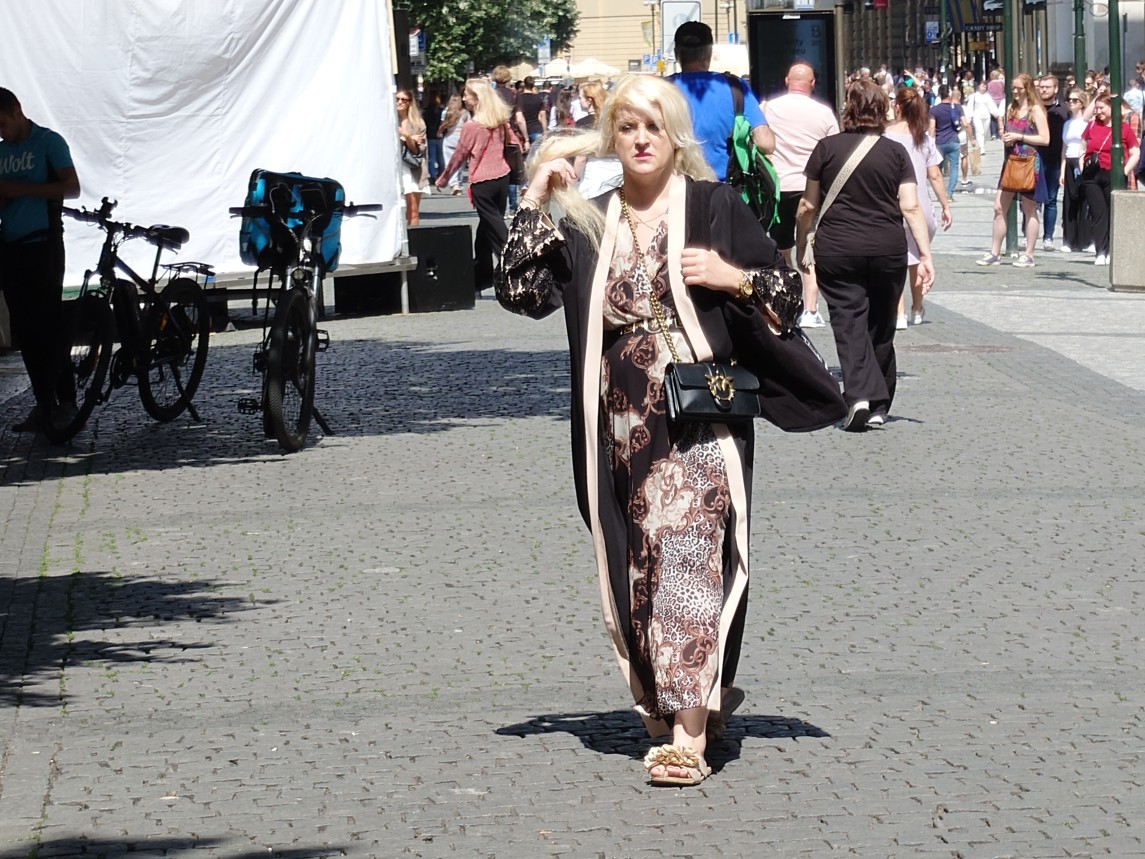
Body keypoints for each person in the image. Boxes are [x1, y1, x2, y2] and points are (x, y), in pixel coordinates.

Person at [495, 74, 844, 787]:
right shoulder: (591, 221)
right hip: (623, 425)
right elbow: (519, 293)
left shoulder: (713, 206)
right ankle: (687, 697)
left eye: (653, 126)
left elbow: (787, 294)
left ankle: (688, 737)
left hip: (698, 419)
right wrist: (534, 197)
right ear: (610, 138)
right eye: (627, 127)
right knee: (641, 568)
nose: (641, 140)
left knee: (687, 559)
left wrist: (729, 276)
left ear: (674, 133)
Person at [796, 80, 935, 431]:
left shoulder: (826, 148)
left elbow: (808, 205)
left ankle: (858, 395)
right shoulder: (896, 153)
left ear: (849, 108)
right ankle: (879, 404)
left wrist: (801, 245)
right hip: (888, 248)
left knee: (849, 319)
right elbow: (910, 207)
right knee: (881, 324)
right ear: (883, 110)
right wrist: (925, 255)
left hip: (838, 248)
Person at [0, 87, 81, 433]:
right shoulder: (2, 151)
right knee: (26, 331)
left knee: (49, 325)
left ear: (17, 111)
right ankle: (42, 402)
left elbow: (72, 187)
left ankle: (66, 400)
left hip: (44, 244)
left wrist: (21, 190)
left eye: (2, 124)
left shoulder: (49, 142)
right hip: (10, 247)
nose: (1, 132)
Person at [761, 62, 839, 330]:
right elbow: (834, 150)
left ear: (787, 81)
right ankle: (811, 310)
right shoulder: (824, 113)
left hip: (779, 186)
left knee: (782, 249)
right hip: (811, 188)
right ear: (813, 83)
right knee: (808, 249)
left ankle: (788, 304)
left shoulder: (768, 108)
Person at [434, 78, 521, 291]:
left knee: (497, 230)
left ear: (477, 98)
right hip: (502, 178)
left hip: (482, 183)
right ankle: (482, 277)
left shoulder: (472, 126)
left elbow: (459, 155)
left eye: (467, 94)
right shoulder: (500, 121)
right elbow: (516, 144)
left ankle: (518, 270)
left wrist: (443, 179)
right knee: (485, 230)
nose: (464, 98)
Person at [667, 21, 774, 180]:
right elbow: (766, 143)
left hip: (674, 185)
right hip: (722, 188)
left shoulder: (661, 89)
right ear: (709, 53)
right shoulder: (735, 87)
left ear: (677, 54)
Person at [885, 85, 951, 329]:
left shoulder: (884, 136)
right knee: (918, 258)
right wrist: (945, 205)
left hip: (893, 205)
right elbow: (935, 175)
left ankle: (899, 313)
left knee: (897, 260)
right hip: (921, 208)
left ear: (898, 107)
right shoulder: (923, 138)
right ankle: (917, 308)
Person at [976, 74, 1050, 268]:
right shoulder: (1011, 108)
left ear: (1027, 89)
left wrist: (1019, 137)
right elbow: (1009, 132)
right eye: (1013, 88)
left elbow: (1045, 139)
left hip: (1029, 162)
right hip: (1011, 161)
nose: (1015, 92)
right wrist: (1006, 137)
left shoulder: (1036, 110)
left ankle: (1029, 254)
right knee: (999, 207)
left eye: (1019, 88)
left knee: (1029, 208)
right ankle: (994, 252)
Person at [1080, 93, 1140, 266]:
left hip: (1112, 174)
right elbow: (1082, 147)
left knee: (1113, 211)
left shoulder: (1123, 129)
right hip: (1092, 174)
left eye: (1102, 108)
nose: (1098, 112)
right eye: (1096, 108)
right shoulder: (1092, 125)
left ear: (1112, 108)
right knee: (1099, 212)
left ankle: (1112, 250)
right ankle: (1101, 251)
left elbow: (1135, 152)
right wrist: (1082, 164)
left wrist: (1124, 172)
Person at [1034, 74, 1069, 251]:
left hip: (1054, 159)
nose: (1043, 90)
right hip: (1034, 158)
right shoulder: (1034, 108)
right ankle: (1028, 234)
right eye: (1041, 87)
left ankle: (1048, 237)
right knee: (1030, 198)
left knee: (1051, 199)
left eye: (1047, 87)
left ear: (1056, 89)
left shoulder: (1064, 110)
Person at [1059, 88, 1090, 254]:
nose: (1071, 103)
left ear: (1082, 103)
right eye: (1069, 100)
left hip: (1082, 161)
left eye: (1075, 100)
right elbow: (1064, 148)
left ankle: (1087, 240)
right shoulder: (1067, 123)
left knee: (1084, 199)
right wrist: (1062, 170)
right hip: (1070, 160)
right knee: (1069, 200)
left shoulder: (1086, 123)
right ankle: (1069, 240)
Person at [928, 85, 970, 200]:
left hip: (939, 142)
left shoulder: (934, 110)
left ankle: (941, 194)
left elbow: (931, 128)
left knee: (938, 169)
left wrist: (930, 142)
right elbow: (965, 123)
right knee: (954, 168)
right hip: (953, 140)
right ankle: (949, 194)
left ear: (939, 95)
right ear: (949, 94)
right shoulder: (957, 107)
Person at [396, 89, 426, 226]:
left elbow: (417, 151)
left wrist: (407, 136)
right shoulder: (388, 120)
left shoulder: (417, 123)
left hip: (412, 169)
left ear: (410, 102)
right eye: (397, 99)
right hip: (393, 168)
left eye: (404, 100)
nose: (400, 102)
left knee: (412, 211)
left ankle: (414, 237)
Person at [438, 93, 468, 196]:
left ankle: (454, 184)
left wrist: (439, 133)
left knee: (449, 162)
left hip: (449, 138)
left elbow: (442, 125)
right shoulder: (464, 113)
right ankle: (458, 183)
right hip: (461, 139)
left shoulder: (446, 112)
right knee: (461, 163)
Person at [423, 89, 445, 184]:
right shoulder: (441, 111)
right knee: (441, 157)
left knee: (431, 158)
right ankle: (442, 174)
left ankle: (433, 176)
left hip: (430, 136)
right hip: (439, 136)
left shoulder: (426, 111)